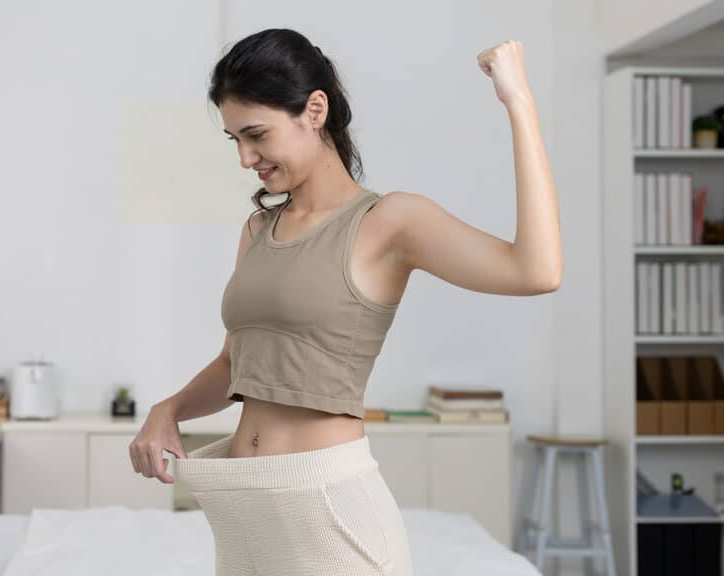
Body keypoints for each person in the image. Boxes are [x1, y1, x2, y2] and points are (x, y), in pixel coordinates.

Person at [128, 28, 561, 576]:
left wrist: (519, 102)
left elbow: (536, 271)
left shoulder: (389, 222)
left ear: (315, 110)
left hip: (330, 517)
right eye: (235, 139)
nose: (245, 158)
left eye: (256, 135)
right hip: (245, 525)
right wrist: (168, 410)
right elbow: (237, 363)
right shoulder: (258, 229)